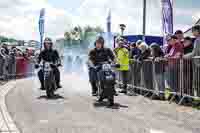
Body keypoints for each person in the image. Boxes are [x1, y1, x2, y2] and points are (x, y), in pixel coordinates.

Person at [184, 25, 200, 97]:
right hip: (197, 64)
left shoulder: (198, 40)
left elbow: (194, 53)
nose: (192, 33)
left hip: (197, 64)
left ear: (197, 31)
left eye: (193, 31)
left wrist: (184, 56)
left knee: (197, 83)